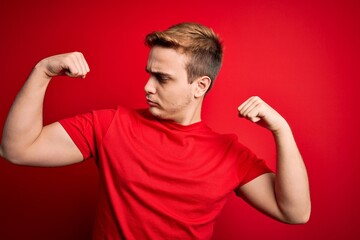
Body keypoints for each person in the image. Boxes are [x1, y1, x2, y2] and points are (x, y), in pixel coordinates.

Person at [0, 22, 310, 239]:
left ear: (200, 86)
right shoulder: (110, 125)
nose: (147, 87)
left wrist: (281, 130)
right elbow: (17, 149)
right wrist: (43, 71)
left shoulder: (229, 155)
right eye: (149, 74)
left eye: (162, 78)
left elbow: (295, 213)